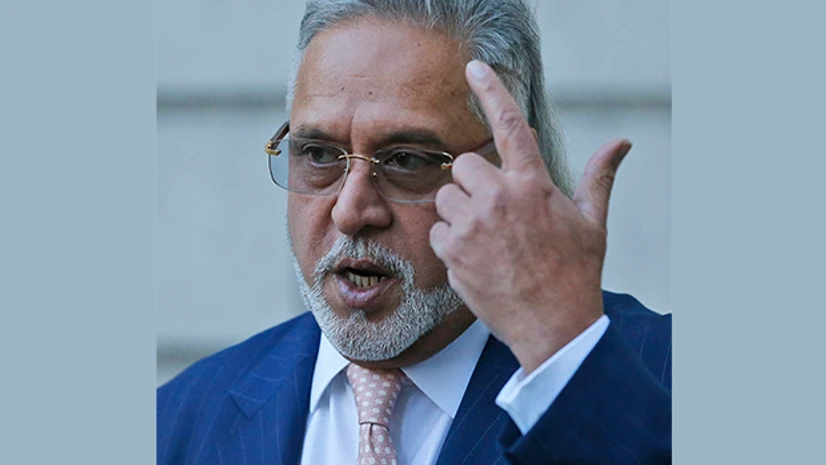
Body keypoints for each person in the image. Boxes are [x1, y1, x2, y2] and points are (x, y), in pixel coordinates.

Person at [157, 1, 672, 464]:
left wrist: (560, 351)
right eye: (318, 155)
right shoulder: (178, 420)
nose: (352, 210)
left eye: (406, 160)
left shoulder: (661, 375)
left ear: (511, 175)